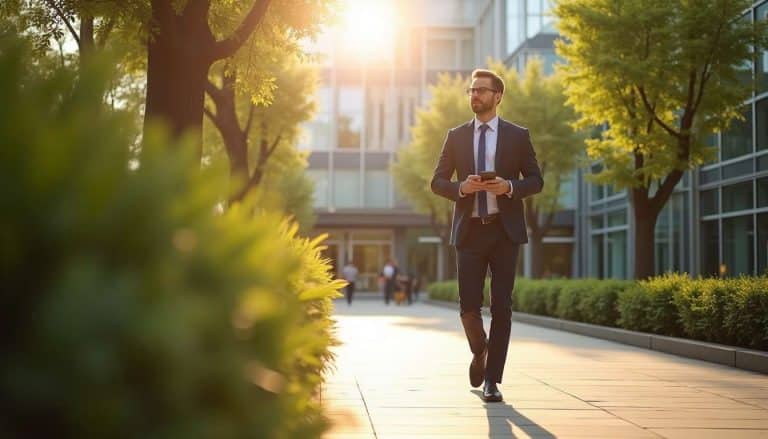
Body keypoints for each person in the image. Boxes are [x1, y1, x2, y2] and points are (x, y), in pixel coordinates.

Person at [430, 69, 543, 403]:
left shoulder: (518, 136)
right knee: (468, 307)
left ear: (498, 96)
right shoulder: (456, 136)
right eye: (471, 90)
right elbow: (437, 181)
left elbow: (536, 180)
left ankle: (492, 380)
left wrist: (509, 187)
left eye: (481, 90)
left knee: (502, 308)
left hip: (504, 231)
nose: (474, 95)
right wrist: (460, 188)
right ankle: (481, 352)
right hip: (469, 231)